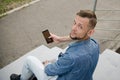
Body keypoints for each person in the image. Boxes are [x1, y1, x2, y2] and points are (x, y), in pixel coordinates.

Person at [10, 10, 100, 80]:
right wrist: (60, 39)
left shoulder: (71, 57)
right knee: (55, 60)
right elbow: (79, 37)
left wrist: (48, 64)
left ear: (90, 32)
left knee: (29, 60)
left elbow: (49, 71)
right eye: (74, 23)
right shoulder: (95, 45)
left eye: (80, 27)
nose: (73, 28)